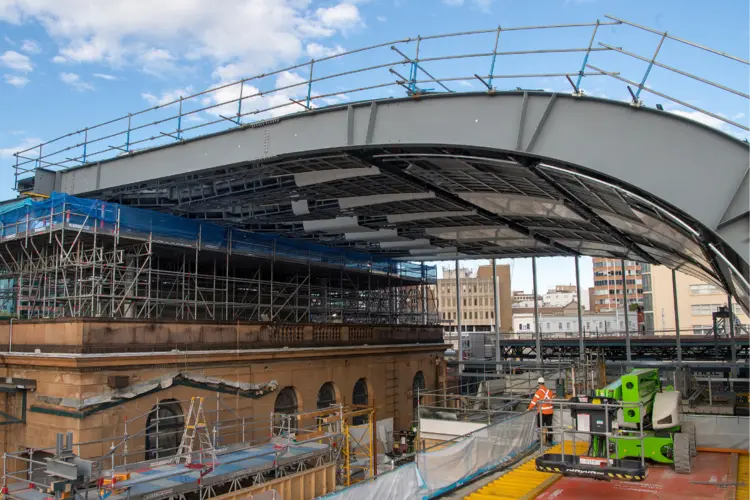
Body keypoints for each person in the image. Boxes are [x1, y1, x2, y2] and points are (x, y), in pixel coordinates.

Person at [528, 376, 555, 445]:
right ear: (544, 383)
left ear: (539, 384)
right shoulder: (549, 391)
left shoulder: (538, 392)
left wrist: (529, 408)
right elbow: (552, 399)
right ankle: (549, 441)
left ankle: (542, 441)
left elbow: (533, 402)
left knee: (540, 427)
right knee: (549, 426)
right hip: (550, 412)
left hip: (542, 412)